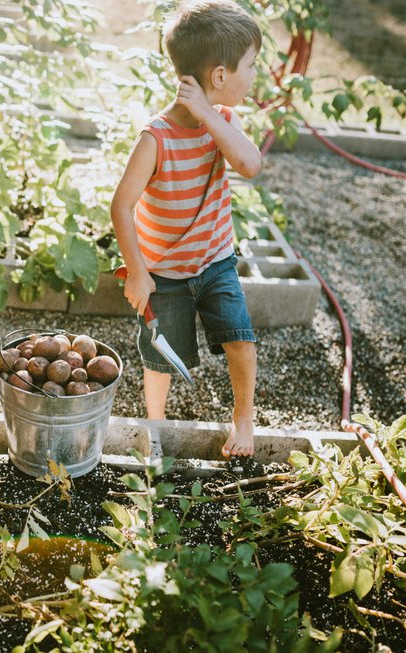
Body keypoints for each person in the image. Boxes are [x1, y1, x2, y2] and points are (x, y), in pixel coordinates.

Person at [110, 0, 261, 457]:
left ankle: (245, 421)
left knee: (241, 340)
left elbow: (251, 165)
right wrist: (138, 272)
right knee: (160, 360)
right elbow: (121, 206)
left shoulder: (224, 123)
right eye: (251, 66)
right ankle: (153, 431)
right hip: (166, 275)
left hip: (215, 263)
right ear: (219, 76)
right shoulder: (155, 138)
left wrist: (211, 117)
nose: (255, 75)